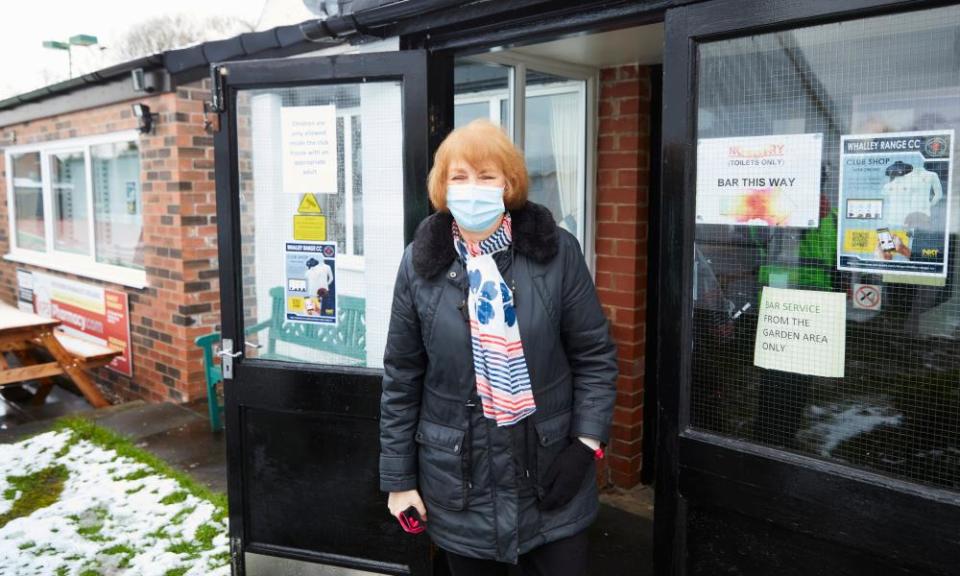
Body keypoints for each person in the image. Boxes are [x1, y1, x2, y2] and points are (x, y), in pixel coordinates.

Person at [379, 119, 618, 576]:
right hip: (458, 486)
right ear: (442, 186)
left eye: (487, 176)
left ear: (508, 185)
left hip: (552, 479)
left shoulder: (556, 253)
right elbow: (402, 376)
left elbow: (594, 356)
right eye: (459, 176)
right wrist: (398, 480)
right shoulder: (419, 264)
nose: (473, 188)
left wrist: (585, 445)